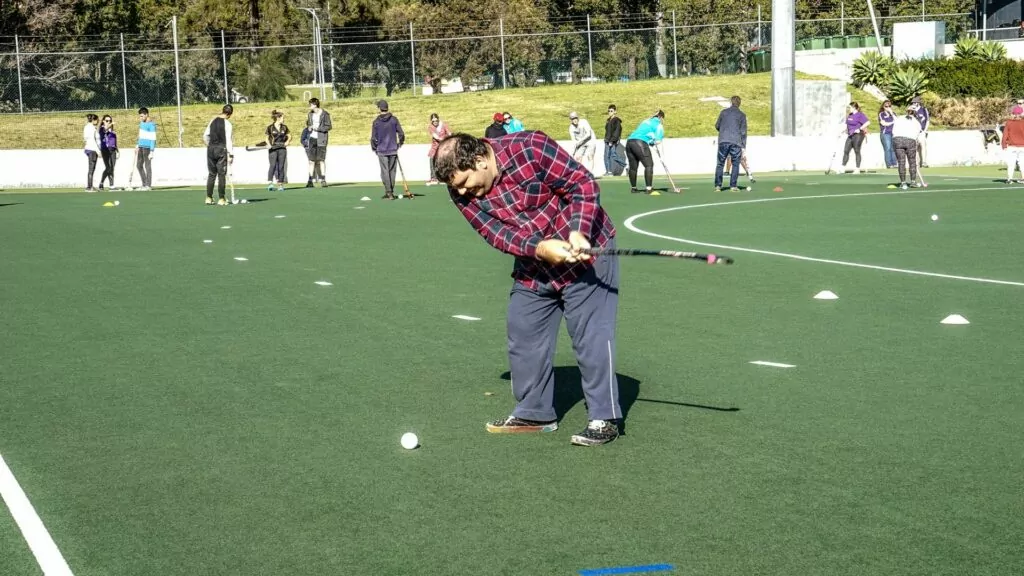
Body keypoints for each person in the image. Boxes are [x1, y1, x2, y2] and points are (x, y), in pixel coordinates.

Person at [433, 131, 623, 447]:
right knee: (523, 327)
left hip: (587, 253)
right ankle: (535, 413)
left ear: (480, 160)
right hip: (535, 264)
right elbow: (494, 232)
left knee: (592, 336)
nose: (464, 192)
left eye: (465, 182)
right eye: (457, 187)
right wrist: (538, 248)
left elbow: (582, 184)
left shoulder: (531, 147)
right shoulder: (461, 190)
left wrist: (578, 231)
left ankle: (604, 418)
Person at [370, 99, 406, 200]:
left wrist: (374, 148)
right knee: (392, 171)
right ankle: (390, 191)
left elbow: (373, 138)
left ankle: (388, 191)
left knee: (384, 172)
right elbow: (401, 134)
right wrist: (400, 143)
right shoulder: (394, 120)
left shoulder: (376, 122)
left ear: (379, 108)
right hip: (392, 149)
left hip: (381, 150)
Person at [625, 110, 665, 194]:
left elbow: (644, 134)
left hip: (629, 142)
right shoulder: (659, 125)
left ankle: (633, 188)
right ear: (660, 117)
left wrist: (651, 142)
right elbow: (658, 141)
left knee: (633, 167)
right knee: (649, 165)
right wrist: (662, 157)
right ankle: (649, 188)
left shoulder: (645, 121)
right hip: (640, 143)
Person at [202, 104, 235, 205]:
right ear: (229, 114)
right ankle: (221, 198)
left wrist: (210, 145)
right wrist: (231, 154)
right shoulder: (228, 124)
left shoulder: (212, 121)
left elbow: (205, 135)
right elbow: (228, 140)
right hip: (221, 150)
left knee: (212, 174)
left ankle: (209, 197)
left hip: (211, 149)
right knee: (221, 174)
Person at [714, 96, 747, 192]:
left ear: (731, 102)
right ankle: (733, 185)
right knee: (735, 164)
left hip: (723, 140)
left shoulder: (723, 112)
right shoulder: (742, 115)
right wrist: (743, 146)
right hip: (736, 142)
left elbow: (717, 125)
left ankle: (718, 186)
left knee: (720, 163)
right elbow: (743, 132)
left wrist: (723, 131)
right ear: (739, 103)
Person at [892, 105, 922, 189]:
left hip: (897, 140)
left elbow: (894, 130)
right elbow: (917, 136)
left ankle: (903, 183)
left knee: (901, 162)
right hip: (910, 140)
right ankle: (913, 182)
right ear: (915, 113)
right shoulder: (917, 122)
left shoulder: (899, 118)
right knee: (912, 162)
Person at [305, 97, 332, 187]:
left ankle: (323, 179)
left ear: (315, 105)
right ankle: (310, 180)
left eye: (311, 104)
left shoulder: (325, 114)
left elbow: (329, 126)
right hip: (312, 138)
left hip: (321, 139)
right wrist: (309, 127)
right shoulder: (310, 114)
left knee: (321, 160)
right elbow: (309, 124)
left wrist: (318, 129)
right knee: (311, 160)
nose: (309, 106)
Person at [265, 110, 290, 191]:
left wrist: (287, 141)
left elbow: (289, 136)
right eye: (282, 117)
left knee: (281, 166)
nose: (284, 119)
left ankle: (280, 184)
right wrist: (268, 144)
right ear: (278, 118)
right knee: (272, 165)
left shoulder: (284, 127)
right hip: (273, 148)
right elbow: (266, 138)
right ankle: (270, 183)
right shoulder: (270, 127)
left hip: (282, 148)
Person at [841, 102, 870, 174]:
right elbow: (847, 124)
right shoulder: (850, 115)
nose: (848, 109)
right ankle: (842, 168)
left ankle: (857, 168)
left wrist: (860, 128)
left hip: (858, 135)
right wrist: (843, 131)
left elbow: (867, 122)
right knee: (846, 150)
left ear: (854, 108)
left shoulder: (860, 115)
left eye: (849, 107)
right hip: (850, 135)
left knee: (857, 150)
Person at [1001, 106, 1024, 184]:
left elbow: (1005, 134)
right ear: (1021, 113)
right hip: (1022, 146)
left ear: (1013, 113)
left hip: (1012, 146)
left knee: (1011, 163)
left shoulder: (1009, 122)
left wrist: (1004, 144)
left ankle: (1009, 179)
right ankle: (1023, 178)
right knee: (1022, 163)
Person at [426, 113, 450, 185]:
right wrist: (442, 138)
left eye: (436, 120)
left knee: (444, 162)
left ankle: (444, 178)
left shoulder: (444, 125)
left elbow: (449, 133)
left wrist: (447, 139)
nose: (435, 122)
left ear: (438, 120)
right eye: (433, 121)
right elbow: (436, 136)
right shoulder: (431, 127)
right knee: (432, 159)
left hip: (444, 147)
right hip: (435, 147)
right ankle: (433, 178)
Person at [136, 107, 156, 190]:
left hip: (147, 148)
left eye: (142, 116)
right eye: (140, 116)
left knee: (147, 166)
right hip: (140, 147)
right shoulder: (141, 123)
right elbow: (140, 135)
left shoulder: (152, 125)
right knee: (138, 165)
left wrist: (152, 151)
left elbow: (153, 138)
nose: (140, 118)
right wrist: (137, 145)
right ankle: (144, 184)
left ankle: (148, 185)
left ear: (146, 115)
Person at [98, 115, 119, 191]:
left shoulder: (112, 131)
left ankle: (111, 185)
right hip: (105, 150)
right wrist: (111, 124)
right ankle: (102, 182)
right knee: (108, 167)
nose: (109, 122)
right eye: (107, 121)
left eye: (110, 121)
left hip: (113, 150)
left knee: (112, 168)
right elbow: (105, 130)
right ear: (103, 121)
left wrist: (117, 150)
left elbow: (114, 141)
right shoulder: (102, 129)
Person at [603, 104, 624, 176]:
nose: (610, 112)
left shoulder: (616, 121)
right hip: (607, 140)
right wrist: (606, 139)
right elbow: (607, 131)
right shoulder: (608, 120)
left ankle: (626, 165)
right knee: (608, 156)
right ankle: (609, 171)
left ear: (615, 112)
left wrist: (612, 141)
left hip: (611, 141)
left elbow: (617, 131)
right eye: (608, 111)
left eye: (611, 111)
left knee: (611, 156)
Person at [83, 113, 101, 192]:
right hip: (92, 150)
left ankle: (90, 186)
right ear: (94, 120)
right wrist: (98, 151)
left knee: (91, 168)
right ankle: (89, 187)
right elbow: (93, 140)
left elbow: (85, 138)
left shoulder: (87, 127)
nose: (98, 121)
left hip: (89, 149)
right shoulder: (91, 128)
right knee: (91, 168)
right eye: (97, 120)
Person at [878, 100, 897, 169]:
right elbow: (884, 123)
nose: (888, 107)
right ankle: (889, 164)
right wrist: (892, 122)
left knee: (893, 149)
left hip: (893, 133)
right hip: (886, 133)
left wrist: (891, 113)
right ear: (883, 107)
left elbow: (897, 121)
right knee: (888, 148)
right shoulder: (881, 114)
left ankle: (894, 163)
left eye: (889, 106)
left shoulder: (893, 114)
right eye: (886, 106)